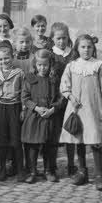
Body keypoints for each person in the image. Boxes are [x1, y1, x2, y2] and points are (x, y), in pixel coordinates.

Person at [58, 34, 102, 191]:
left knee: (95, 140)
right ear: (77, 48)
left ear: (93, 48)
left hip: (94, 108)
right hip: (77, 108)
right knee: (79, 139)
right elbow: (64, 85)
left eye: (89, 47)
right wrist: (70, 97)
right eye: (83, 47)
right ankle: (82, 171)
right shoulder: (72, 65)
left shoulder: (99, 65)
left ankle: (99, 174)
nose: (86, 50)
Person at [20, 50, 62, 183]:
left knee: (50, 144)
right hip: (34, 116)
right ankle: (32, 171)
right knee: (32, 144)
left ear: (50, 64)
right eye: (39, 65)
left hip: (50, 116)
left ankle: (49, 170)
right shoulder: (29, 78)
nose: (42, 68)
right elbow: (25, 97)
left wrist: (53, 109)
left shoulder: (54, 80)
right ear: (35, 65)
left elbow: (61, 98)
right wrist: (36, 108)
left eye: (45, 65)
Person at [0, 42, 25, 182]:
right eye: (1, 59)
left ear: (12, 56)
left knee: (16, 140)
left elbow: (23, 93)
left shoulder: (19, 73)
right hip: (1, 107)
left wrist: (23, 109)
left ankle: (20, 170)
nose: (4, 61)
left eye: (6, 58)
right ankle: (2, 170)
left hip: (15, 107)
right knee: (2, 141)